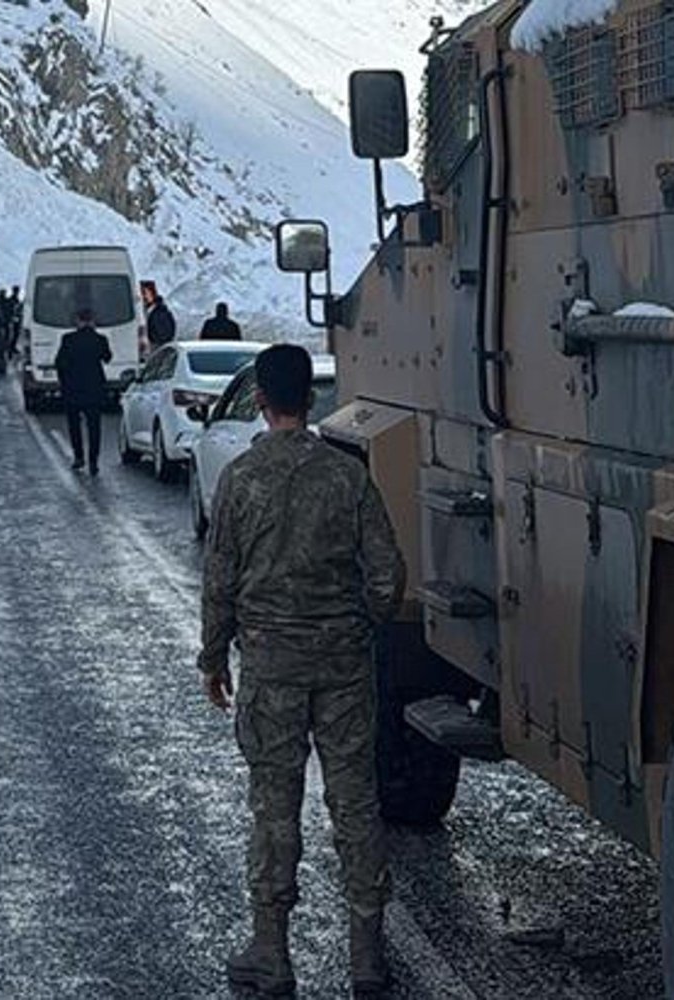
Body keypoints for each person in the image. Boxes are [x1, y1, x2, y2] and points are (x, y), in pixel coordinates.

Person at [198, 344, 405, 997]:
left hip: (270, 663)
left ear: (260, 400)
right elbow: (387, 575)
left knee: (273, 806)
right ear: (309, 401)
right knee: (355, 802)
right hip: (341, 662)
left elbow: (220, 579)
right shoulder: (347, 478)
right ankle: (367, 957)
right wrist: (359, 626)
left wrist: (213, 655)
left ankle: (272, 953)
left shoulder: (240, 479)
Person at [55, 308, 112, 475]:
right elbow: (107, 357)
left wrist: (64, 382)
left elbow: (59, 363)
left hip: (73, 389)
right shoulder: (100, 339)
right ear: (92, 321)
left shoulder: (68, 339)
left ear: (78, 321)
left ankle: (79, 457)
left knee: (74, 425)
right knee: (94, 426)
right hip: (94, 389)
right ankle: (93, 461)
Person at [141, 281, 176, 349]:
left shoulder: (160, 313)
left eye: (144, 293)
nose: (143, 297)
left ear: (152, 293)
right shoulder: (146, 311)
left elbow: (164, 335)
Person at [7, 285, 23, 359]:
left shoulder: (15, 299)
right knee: (12, 335)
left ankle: (12, 348)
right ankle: (10, 350)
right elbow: (11, 310)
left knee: (15, 335)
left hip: (16, 319)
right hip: (13, 320)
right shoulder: (12, 299)